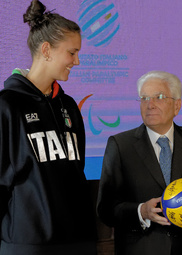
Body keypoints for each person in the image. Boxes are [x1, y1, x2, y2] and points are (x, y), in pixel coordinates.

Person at [0, 1, 97, 254]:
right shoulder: (7, 105)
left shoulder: (69, 106)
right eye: (72, 52)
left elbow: (77, 171)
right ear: (46, 49)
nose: (76, 61)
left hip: (79, 240)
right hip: (29, 243)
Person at [97, 70, 182, 255]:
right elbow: (106, 209)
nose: (150, 105)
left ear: (177, 106)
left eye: (159, 97)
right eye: (144, 98)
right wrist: (142, 211)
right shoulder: (120, 145)